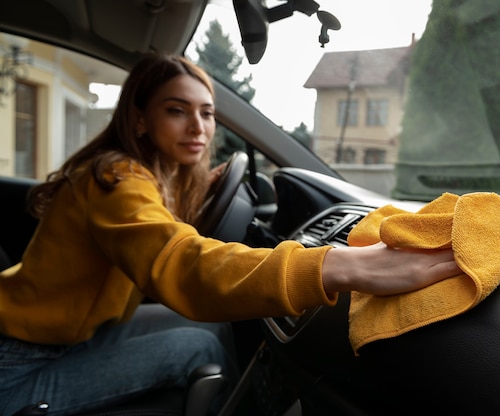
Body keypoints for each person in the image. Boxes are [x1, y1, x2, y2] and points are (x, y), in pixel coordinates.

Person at [0, 53, 462, 416]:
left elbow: (164, 235)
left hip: (74, 333)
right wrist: (341, 264)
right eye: (176, 111)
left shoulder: (143, 176)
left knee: (209, 324)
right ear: (140, 119)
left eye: (207, 113)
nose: (198, 126)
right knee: (198, 343)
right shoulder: (115, 179)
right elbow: (180, 261)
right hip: (19, 365)